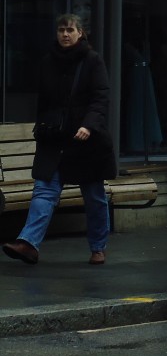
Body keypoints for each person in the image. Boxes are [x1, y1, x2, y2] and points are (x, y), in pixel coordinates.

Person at [3, 14, 114, 266]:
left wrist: (88, 124)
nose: (65, 34)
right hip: (54, 138)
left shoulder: (92, 61)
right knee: (44, 191)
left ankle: (98, 247)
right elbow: (43, 101)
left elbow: (101, 97)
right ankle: (28, 244)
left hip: (86, 140)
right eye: (61, 30)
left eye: (70, 30)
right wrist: (43, 125)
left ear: (80, 33)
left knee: (94, 196)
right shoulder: (47, 62)